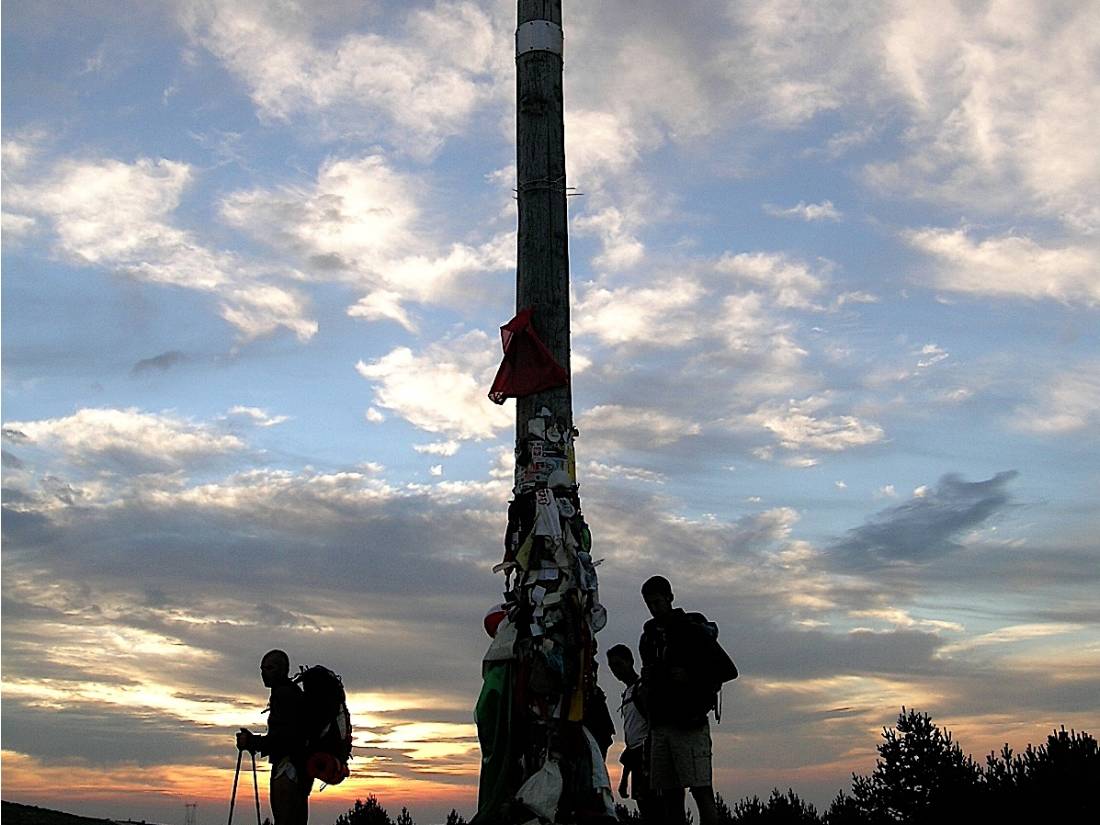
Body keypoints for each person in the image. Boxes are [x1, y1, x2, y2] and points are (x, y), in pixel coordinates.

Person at [638, 576, 737, 825]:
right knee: (671, 795)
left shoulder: (691, 630)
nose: (653, 608)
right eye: (649, 604)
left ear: (670, 598)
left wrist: (691, 676)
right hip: (661, 725)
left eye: (657, 602)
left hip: (689, 724)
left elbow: (727, 670)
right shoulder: (649, 636)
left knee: (701, 790)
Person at [237, 650, 313, 825]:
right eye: (262, 668)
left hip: (287, 769)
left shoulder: (283, 695)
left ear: (282, 669)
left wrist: (251, 742)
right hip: (300, 771)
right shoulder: (293, 693)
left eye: (269, 668)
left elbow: (281, 740)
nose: (264, 673)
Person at [607, 644, 655, 825]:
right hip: (636, 759)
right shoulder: (627, 693)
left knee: (652, 808)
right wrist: (624, 777)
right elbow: (630, 741)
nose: (616, 671)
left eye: (619, 665)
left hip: (647, 759)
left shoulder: (641, 688)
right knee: (645, 808)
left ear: (630, 662)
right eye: (612, 667)